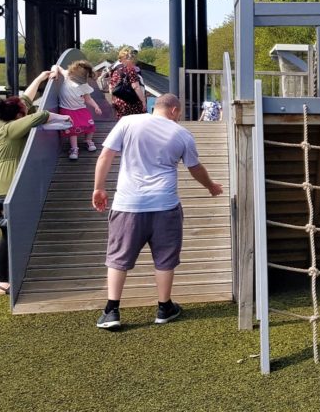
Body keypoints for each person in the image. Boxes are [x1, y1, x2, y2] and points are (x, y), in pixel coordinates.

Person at [92, 93, 223, 329]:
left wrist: (99, 188)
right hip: (165, 204)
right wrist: (211, 186)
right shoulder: (181, 133)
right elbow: (195, 168)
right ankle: (164, 307)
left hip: (127, 204)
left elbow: (106, 155)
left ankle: (112, 310)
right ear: (174, 110)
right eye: (179, 113)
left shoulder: (128, 122)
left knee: (118, 257)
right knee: (165, 258)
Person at [0, 70, 72, 295]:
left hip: (2, 186)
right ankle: (3, 280)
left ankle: (4, 274)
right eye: (23, 112)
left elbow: (26, 98)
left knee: (10, 233)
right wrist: (63, 118)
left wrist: (42, 78)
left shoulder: (8, 122)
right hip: (3, 189)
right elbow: (39, 116)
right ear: (17, 117)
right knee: (8, 235)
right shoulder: (13, 129)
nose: (26, 111)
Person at [57, 61, 103, 160]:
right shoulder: (67, 75)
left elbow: (88, 98)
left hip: (80, 108)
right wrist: (53, 72)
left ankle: (88, 141)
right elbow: (56, 66)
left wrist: (96, 106)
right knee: (72, 129)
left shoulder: (83, 85)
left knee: (90, 125)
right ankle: (74, 148)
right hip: (67, 109)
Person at [108, 46, 146, 118]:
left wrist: (113, 100)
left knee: (123, 124)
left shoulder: (115, 71)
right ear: (128, 59)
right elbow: (136, 87)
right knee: (134, 124)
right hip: (131, 103)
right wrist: (143, 101)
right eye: (132, 60)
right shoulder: (130, 70)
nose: (134, 62)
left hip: (119, 103)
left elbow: (111, 87)